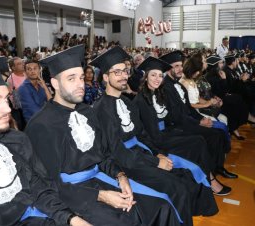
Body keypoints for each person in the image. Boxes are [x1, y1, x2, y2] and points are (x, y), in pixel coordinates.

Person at [25, 45, 181, 226]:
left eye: (81, 77)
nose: (80, 84)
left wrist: (120, 176)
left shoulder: (87, 111)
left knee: (161, 206)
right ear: (55, 84)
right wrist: (101, 196)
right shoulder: (40, 125)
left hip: (101, 179)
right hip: (75, 196)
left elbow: (104, 154)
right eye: (71, 78)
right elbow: (49, 185)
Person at [91, 46, 219, 226]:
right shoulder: (100, 109)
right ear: (105, 77)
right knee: (178, 187)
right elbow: (117, 152)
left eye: (125, 71)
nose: (123, 76)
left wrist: (157, 153)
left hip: (141, 155)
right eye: (116, 72)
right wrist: (155, 162)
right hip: (125, 164)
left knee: (185, 175)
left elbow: (142, 134)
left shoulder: (127, 102)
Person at [0, 56, 91, 226]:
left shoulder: (17, 141)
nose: (7, 109)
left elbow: (39, 188)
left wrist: (70, 219)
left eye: (6, 99)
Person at [134, 56, 231, 195]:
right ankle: (210, 181)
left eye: (160, 75)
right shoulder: (141, 100)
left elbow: (170, 118)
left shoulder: (159, 93)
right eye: (153, 75)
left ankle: (208, 179)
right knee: (197, 142)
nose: (157, 79)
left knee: (199, 140)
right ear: (146, 77)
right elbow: (147, 132)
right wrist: (157, 152)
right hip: (157, 140)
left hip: (167, 132)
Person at [159, 50, 237, 179]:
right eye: (176, 66)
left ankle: (217, 168)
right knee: (213, 135)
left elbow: (189, 107)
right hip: (180, 125)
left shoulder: (178, 84)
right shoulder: (166, 87)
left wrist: (202, 118)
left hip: (189, 120)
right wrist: (198, 122)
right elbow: (177, 116)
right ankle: (211, 172)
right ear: (168, 69)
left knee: (217, 133)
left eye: (180, 65)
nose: (180, 69)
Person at [204, 55, 248, 140]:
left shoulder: (216, 74)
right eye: (220, 63)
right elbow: (222, 91)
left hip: (220, 97)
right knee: (235, 102)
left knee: (238, 98)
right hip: (217, 99)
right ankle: (234, 128)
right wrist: (224, 79)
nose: (222, 64)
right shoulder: (211, 77)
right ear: (215, 65)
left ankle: (235, 127)